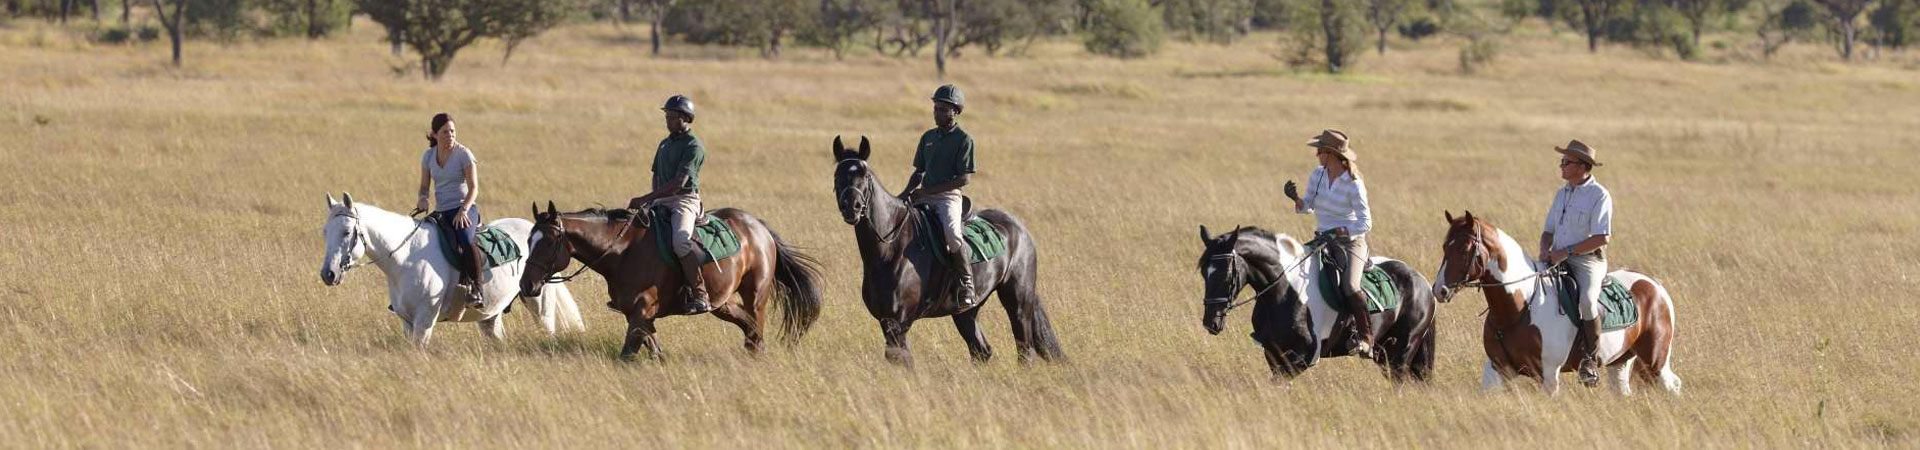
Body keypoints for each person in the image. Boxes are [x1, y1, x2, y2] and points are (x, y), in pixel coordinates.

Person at [1283, 129, 1376, 358]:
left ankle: (1366, 337)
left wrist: (1344, 230)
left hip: (1350, 243)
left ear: (1330, 153)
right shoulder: (1318, 175)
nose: (1316, 155)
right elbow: (1309, 206)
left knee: (1351, 286)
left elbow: (1366, 222)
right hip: (1322, 239)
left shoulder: (1354, 184)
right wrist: (1296, 199)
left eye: (1319, 150)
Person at [628, 95, 712, 314]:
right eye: (667, 116)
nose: (668, 120)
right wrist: (654, 199)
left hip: (684, 199)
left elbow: (679, 182)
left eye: (672, 117)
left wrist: (646, 198)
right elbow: (656, 174)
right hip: (661, 198)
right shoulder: (665, 143)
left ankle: (700, 293)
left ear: (685, 118)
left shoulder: (694, 146)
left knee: (681, 242)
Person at [1539, 139, 1613, 387]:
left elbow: (1602, 237)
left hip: (1587, 261)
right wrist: (1544, 248)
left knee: (1587, 301)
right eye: (1562, 161)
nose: (1561, 166)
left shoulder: (1599, 195)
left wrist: (1566, 251)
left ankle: (1590, 361)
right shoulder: (1561, 194)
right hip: (1556, 256)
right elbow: (1548, 230)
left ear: (1582, 166)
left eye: (1566, 162)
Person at [897, 84, 978, 306]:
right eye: (936, 108)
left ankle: (967, 283)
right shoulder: (928, 137)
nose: (937, 113)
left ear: (955, 111)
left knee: (952, 235)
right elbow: (919, 171)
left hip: (948, 197)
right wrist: (904, 194)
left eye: (943, 109)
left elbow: (964, 179)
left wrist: (928, 191)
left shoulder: (964, 140)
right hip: (923, 194)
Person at [413, 113, 485, 308]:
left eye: (452, 131)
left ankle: (478, 289)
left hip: (464, 208)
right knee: (419, 238)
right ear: (434, 135)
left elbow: (474, 188)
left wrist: (464, 210)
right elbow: (424, 186)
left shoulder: (464, 154)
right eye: (445, 132)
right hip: (442, 211)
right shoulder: (428, 156)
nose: (450, 135)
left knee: (465, 239)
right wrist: (423, 198)